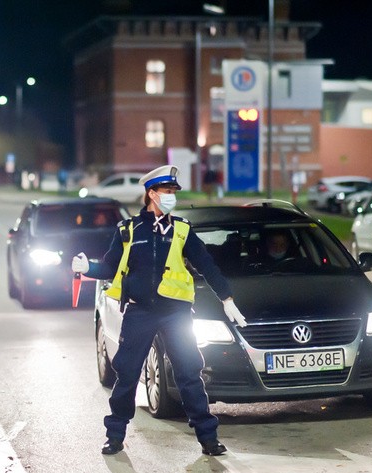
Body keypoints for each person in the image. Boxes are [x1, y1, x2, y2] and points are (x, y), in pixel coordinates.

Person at [71, 165, 248, 457]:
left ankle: (208, 438)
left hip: (176, 313)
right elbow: (110, 266)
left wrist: (227, 298)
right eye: (167, 192)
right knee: (126, 374)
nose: (171, 197)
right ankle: (115, 436)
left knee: (189, 373)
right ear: (151, 194)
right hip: (140, 312)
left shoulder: (182, 230)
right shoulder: (128, 230)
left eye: (173, 192)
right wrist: (87, 268)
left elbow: (206, 265)